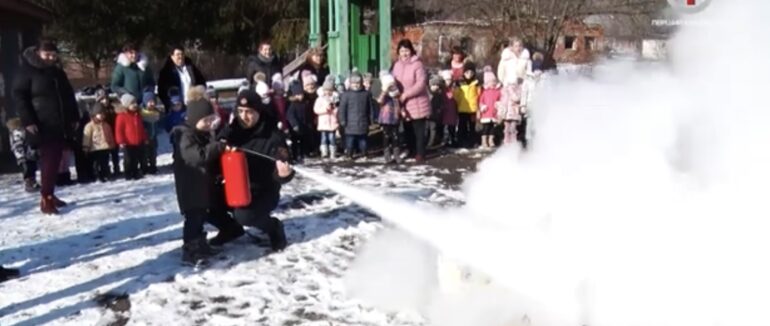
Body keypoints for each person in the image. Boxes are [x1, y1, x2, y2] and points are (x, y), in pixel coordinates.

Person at [171, 97, 244, 265]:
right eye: (206, 120)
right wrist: (218, 146)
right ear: (195, 119)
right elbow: (198, 156)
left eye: (212, 119)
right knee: (194, 220)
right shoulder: (184, 136)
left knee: (201, 217)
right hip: (191, 189)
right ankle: (190, 249)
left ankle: (201, 244)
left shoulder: (202, 134)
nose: (210, 124)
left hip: (201, 187)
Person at [218, 90, 293, 251]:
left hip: (263, 191)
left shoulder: (273, 136)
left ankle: (273, 227)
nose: (244, 117)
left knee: (244, 216)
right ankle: (230, 229)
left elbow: (285, 163)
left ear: (258, 111)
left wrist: (283, 174)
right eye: (240, 111)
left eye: (249, 112)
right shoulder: (231, 131)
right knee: (203, 200)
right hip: (234, 187)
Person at [12, 38, 78, 214]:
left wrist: (73, 117)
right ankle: (46, 198)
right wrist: (28, 121)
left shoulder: (57, 72)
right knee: (50, 160)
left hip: (60, 122)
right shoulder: (27, 71)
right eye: (47, 54)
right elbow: (20, 97)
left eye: (53, 55)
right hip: (41, 123)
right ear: (38, 53)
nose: (50, 58)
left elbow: (69, 96)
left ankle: (50, 192)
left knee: (55, 160)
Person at [391, 39, 431, 163]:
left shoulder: (417, 64)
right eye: (402, 50)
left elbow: (421, 84)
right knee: (408, 129)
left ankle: (420, 153)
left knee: (418, 130)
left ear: (411, 51)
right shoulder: (396, 65)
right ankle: (411, 150)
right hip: (403, 103)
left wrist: (406, 95)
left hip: (417, 102)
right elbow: (393, 81)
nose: (404, 53)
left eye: (406, 50)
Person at [157, 46, 207, 110]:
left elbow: (201, 82)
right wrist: (169, 104)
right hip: (176, 107)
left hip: (193, 105)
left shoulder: (191, 68)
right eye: (178, 54)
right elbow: (161, 91)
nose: (180, 56)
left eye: (182, 54)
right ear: (172, 56)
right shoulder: (166, 72)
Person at [338, 72, 373, 160]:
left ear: (361, 83)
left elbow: (370, 108)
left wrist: (371, 119)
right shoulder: (346, 95)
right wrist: (342, 120)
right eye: (354, 83)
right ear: (350, 84)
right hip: (349, 123)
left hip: (362, 121)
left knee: (363, 140)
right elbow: (342, 109)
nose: (356, 85)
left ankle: (364, 154)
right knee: (349, 141)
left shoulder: (366, 94)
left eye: (358, 83)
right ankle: (349, 154)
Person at [115, 94, 148, 180]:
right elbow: (119, 130)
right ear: (126, 105)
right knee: (128, 159)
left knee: (136, 158)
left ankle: (136, 172)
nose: (135, 105)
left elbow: (141, 128)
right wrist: (121, 141)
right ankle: (128, 173)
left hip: (138, 141)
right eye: (132, 103)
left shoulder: (137, 115)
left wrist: (144, 138)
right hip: (128, 142)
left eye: (135, 103)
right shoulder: (121, 117)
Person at [286, 74, 317, 163]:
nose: (301, 96)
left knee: (304, 141)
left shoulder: (305, 102)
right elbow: (290, 115)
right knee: (295, 142)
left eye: (301, 94)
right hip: (296, 127)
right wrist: (294, 124)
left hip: (305, 125)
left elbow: (308, 113)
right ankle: (295, 155)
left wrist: (310, 121)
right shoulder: (292, 105)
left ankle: (305, 153)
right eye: (298, 94)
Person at [82, 103, 116, 182]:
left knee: (105, 162)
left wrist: (112, 144)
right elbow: (87, 136)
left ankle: (105, 174)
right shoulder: (90, 126)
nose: (101, 116)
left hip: (105, 147)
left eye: (103, 114)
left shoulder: (106, 125)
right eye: (99, 114)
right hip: (95, 148)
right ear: (94, 114)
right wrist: (86, 146)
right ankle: (97, 175)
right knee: (96, 164)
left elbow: (109, 135)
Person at [6, 117, 40, 192]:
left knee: (31, 167)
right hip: (24, 154)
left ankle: (32, 181)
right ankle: (29, 183)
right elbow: (19, 143)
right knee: (27, 168)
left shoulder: (16, 132)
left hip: (25, 153)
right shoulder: (17, 132)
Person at [376, 72, 402, 164]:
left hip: (395, 118)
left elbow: (399, 104)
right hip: (386, 119)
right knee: (386, 136)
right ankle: (387, 155)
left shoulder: (396, 95)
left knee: (396, 137)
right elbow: (379, 101)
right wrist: (385, 90)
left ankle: (396, 154)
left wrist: (402, 112)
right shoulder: (385, 95)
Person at [456, 61, 481, 148]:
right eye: (467, 72)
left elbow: (479, 95)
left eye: (471, 72)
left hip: (472, 109)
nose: (469, 74)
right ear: (464, 72)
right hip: (462, 108)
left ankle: (472, 141)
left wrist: (478, 106)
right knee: (462, 126)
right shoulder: (460, 83)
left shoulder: (476, 83)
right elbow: (457, 95)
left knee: (472, 127)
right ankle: (461, 141)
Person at [313, 79, 339, 159]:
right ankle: (324, 152)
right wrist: (325, 109)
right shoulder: (319, 99)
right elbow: (316, 110)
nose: (327, 92)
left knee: (332, 138)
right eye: (326, 90)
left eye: (330, 90)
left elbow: (338, 110)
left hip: (332, 122)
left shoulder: (335, 99)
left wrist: (334, 109)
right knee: (323, 138)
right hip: (323, 123)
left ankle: (333, 152)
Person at [478, 68, 502, 149]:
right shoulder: (485, 92)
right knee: (486, 128)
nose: (493, 83)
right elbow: (481, 101)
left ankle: (491, 140)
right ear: (487, 83)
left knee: (492, 128)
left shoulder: (498, 91)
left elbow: (500, 99)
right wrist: (482, 107)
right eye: (491, 81)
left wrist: (498, 105)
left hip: (493, 113)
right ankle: (484, 141)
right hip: (486, 113)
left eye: (494, 81)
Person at [141, 90, 162, 174]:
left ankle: (153, 166)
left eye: (153, 101)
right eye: (149, 102)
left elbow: (159, 122)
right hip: (145, 136)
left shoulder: (156, 112)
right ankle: (145, 167)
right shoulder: (142, 113)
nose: (152, 104)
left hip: (154, 136)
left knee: (153, 153)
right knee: (145, 153)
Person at [499, 77, 524, 145]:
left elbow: (516, 98)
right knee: (506, 128)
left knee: (513, 128)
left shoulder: (518, 90)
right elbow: (503, 102)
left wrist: (511, 90)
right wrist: (501, 112)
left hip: (514, 112)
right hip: (507, 113)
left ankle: (513, 141)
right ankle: (506, 141)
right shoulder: (504, 91)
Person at [439, 70, 459, 147]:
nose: (448, 82)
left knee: (452, 127)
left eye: (450, 80)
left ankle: (452, 139)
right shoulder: (442, 90)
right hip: (445, 111)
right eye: (447, 80)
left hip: (452, 110)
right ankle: (445, 140)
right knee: (445, 127)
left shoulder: (454, 88)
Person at [427, 74, 446, 149]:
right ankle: (426, 141)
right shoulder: (427, 93)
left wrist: (439, 110)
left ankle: (430, 143)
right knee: (426, 129)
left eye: (438, 85)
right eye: (434, 85)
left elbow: (441, 104)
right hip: (426, 114)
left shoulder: (439, 94)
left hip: (435, 115)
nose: (436, 87)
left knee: (433, 129)